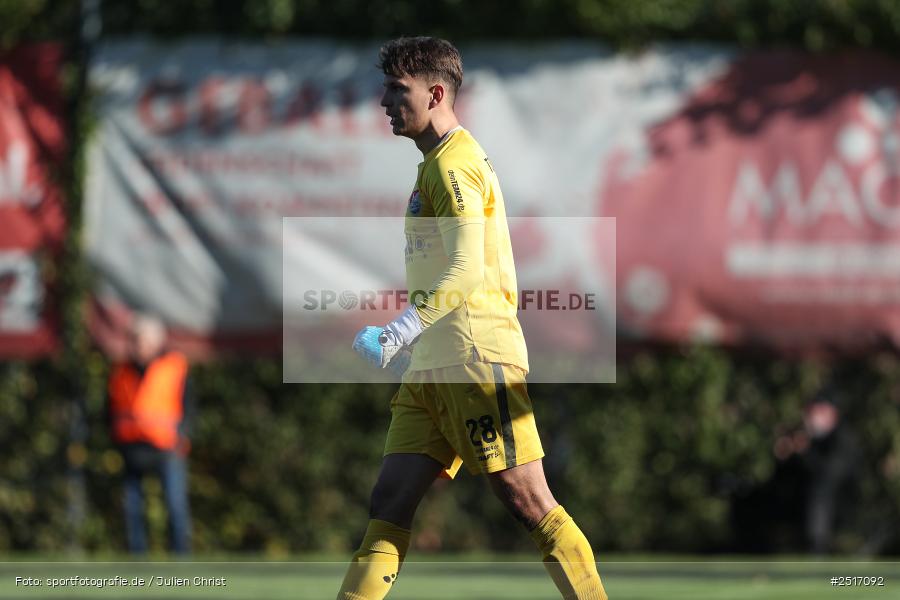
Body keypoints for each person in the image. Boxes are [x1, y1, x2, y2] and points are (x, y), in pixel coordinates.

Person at [339, 37, 608, 600]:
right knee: (389, 502)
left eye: (397, 89)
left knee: (530, 502)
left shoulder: (456, 163)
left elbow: (465, 269)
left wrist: (398, 332)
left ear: (435, 92)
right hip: (433, 369)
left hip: (475, 359)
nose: (385, 101)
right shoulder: (434, 164)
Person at [108, 315, 193, 554]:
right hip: (132, 448)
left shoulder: (174, 367)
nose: (139, 346)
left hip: (167, 448)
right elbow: (111, 410)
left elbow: (188, 408)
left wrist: (181, 439)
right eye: (134, 340)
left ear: (157, 342)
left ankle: (181, 559)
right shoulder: (120, 371)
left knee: (175, 507)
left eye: (143, 340)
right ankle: (138, 560)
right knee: (132, 509)